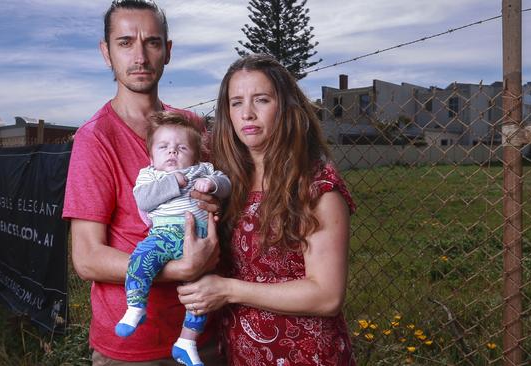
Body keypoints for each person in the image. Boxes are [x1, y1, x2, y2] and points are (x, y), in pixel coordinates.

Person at [62, 1, 225, 364]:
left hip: (204, 331)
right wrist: (179, 270)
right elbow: (87, 258)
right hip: (133, 349)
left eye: (151, 42)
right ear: (106, 53)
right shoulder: (96, 137)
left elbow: (216, 196)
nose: (139, 55)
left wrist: (216, 203)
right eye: (124, 43)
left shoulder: (192, 127)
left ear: (167, 51)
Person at [176, 54, 357, 365]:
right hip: (240, 352)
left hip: (306, 353)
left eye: (261, 100)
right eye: (236, 103)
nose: (247, 113)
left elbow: (327, 295)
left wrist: (228, 290)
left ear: (286, 107)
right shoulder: (228, 182)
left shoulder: (316, 185)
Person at [115, 112, 231, 366]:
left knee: (200, 295)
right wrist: (173, 183)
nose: (172, 153)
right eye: (164, 147)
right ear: (151, 155)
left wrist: (211, 184)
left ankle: (186, 342)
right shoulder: (150, 176)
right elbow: (144, 200)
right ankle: (135, 307)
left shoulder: (202, 170)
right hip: (163, 236)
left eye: (181, 148)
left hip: (198, 240)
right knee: (140, 260)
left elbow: (226, 184)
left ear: (196, 155)